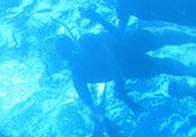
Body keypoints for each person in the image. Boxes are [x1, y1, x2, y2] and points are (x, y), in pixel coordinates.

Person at [55, 11, 196, 120]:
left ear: (74, 43)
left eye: (74, 51)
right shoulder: (78, 74)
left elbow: (111, 62)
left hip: (127, 43)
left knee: (161, 38)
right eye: (70, 57)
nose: (75, 57)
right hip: (128, 66)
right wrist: (105, 119)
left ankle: (192, 40)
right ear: (65, 60)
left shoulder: (87, 40)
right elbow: (89, 107)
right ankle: (190, 72)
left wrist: (122, 93)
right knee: (161, 66)